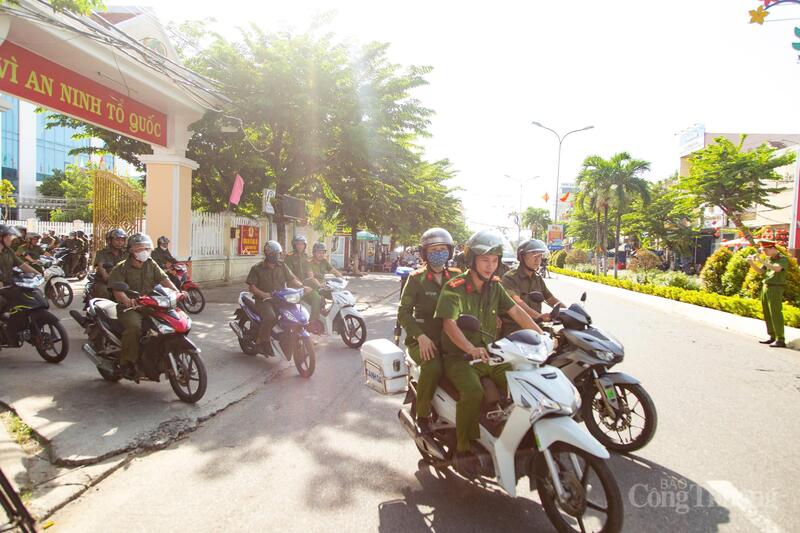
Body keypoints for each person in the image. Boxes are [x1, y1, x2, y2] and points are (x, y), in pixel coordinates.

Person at [434, 229, 544, 476]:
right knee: (472, 391)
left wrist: (543, 336)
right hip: (459, 357)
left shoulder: (495, 287)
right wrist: (470, 348)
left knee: (522, 381)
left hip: (490, 354)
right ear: (472, 260)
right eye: (485, 260)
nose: (490, 266)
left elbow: (516, 312)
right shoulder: (455, 287)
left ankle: (505, 435)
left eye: (494, 261)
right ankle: (463, 449)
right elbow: (449, 324)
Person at [398, 228, 460, 433]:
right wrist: (420, 336)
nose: (438, 253)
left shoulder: (457, 276)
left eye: (442, 249)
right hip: (423, 340)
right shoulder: (416, 278)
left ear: (449, 252)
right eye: (433, 249)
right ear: (425, 253)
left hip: (452, 338)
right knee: (433, 366)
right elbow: (403, 313)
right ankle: (422, 415)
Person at [109, 233, 181, 378]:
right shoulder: (121, 268)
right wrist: (127, 301)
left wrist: (177, 292)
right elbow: (117, 292)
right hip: (130, 307)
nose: (144, 252)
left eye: (146, 249)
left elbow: (164, 279)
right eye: (139, 249)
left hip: (150, 304)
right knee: (135, 327)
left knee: (168, 323)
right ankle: (128, 362)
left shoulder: (151, 264)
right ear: (131, 250)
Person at [246, 241, 305, 352]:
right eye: (275, 254)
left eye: (279, 254)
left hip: (281, 299)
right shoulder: (257, 268)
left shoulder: (282, 265)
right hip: (264, 301)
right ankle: (261, 342)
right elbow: (252, 288)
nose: (277, 256)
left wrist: (303, 286)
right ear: (268, 254)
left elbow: (292, 279)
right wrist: (264, 294)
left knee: (293, 314)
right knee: (270, 317)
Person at [500, 239, 563, 336]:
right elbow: (518, 303)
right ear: (522, 257)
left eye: (540, 255)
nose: (538, 259)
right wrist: (539, 316)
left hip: (536, 327)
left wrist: (569, 312)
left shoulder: (537, 279)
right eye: (534, 255)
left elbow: (551, 299)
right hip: (515, 330)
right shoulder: (510, 278)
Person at [748, 239, 789, 348]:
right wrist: (752, 263)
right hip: (766, 287)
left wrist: (763, 262)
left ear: (772, 248)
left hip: (776, 288)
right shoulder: (768, 259)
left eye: (765, 250)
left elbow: (777, 269)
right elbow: (761, 271)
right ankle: (772, 336)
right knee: (767, 313)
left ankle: (780, 339)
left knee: (775, 313)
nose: (764, 252)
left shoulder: (782, 259)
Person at [284, 235, 323, 333]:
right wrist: (301, 285)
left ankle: (312, 323)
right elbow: (290, 275)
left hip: (305, 286)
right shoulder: (289, 257)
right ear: (294, 245)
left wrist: (316, 283)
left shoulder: (306, 257)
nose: (300, 246)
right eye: (298, 244)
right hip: (294, 287)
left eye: (302, 244)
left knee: (317, 297)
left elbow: (309, 272)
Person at [92, 228, 128, 299]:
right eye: (117, 239)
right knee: (105, 293)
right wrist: (106, 276)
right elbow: (101, 267)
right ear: (109, 241)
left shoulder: (126, 254)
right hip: (103, 282)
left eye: (122, 240)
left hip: (122, 281)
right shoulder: (101, 253)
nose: (120, 242)